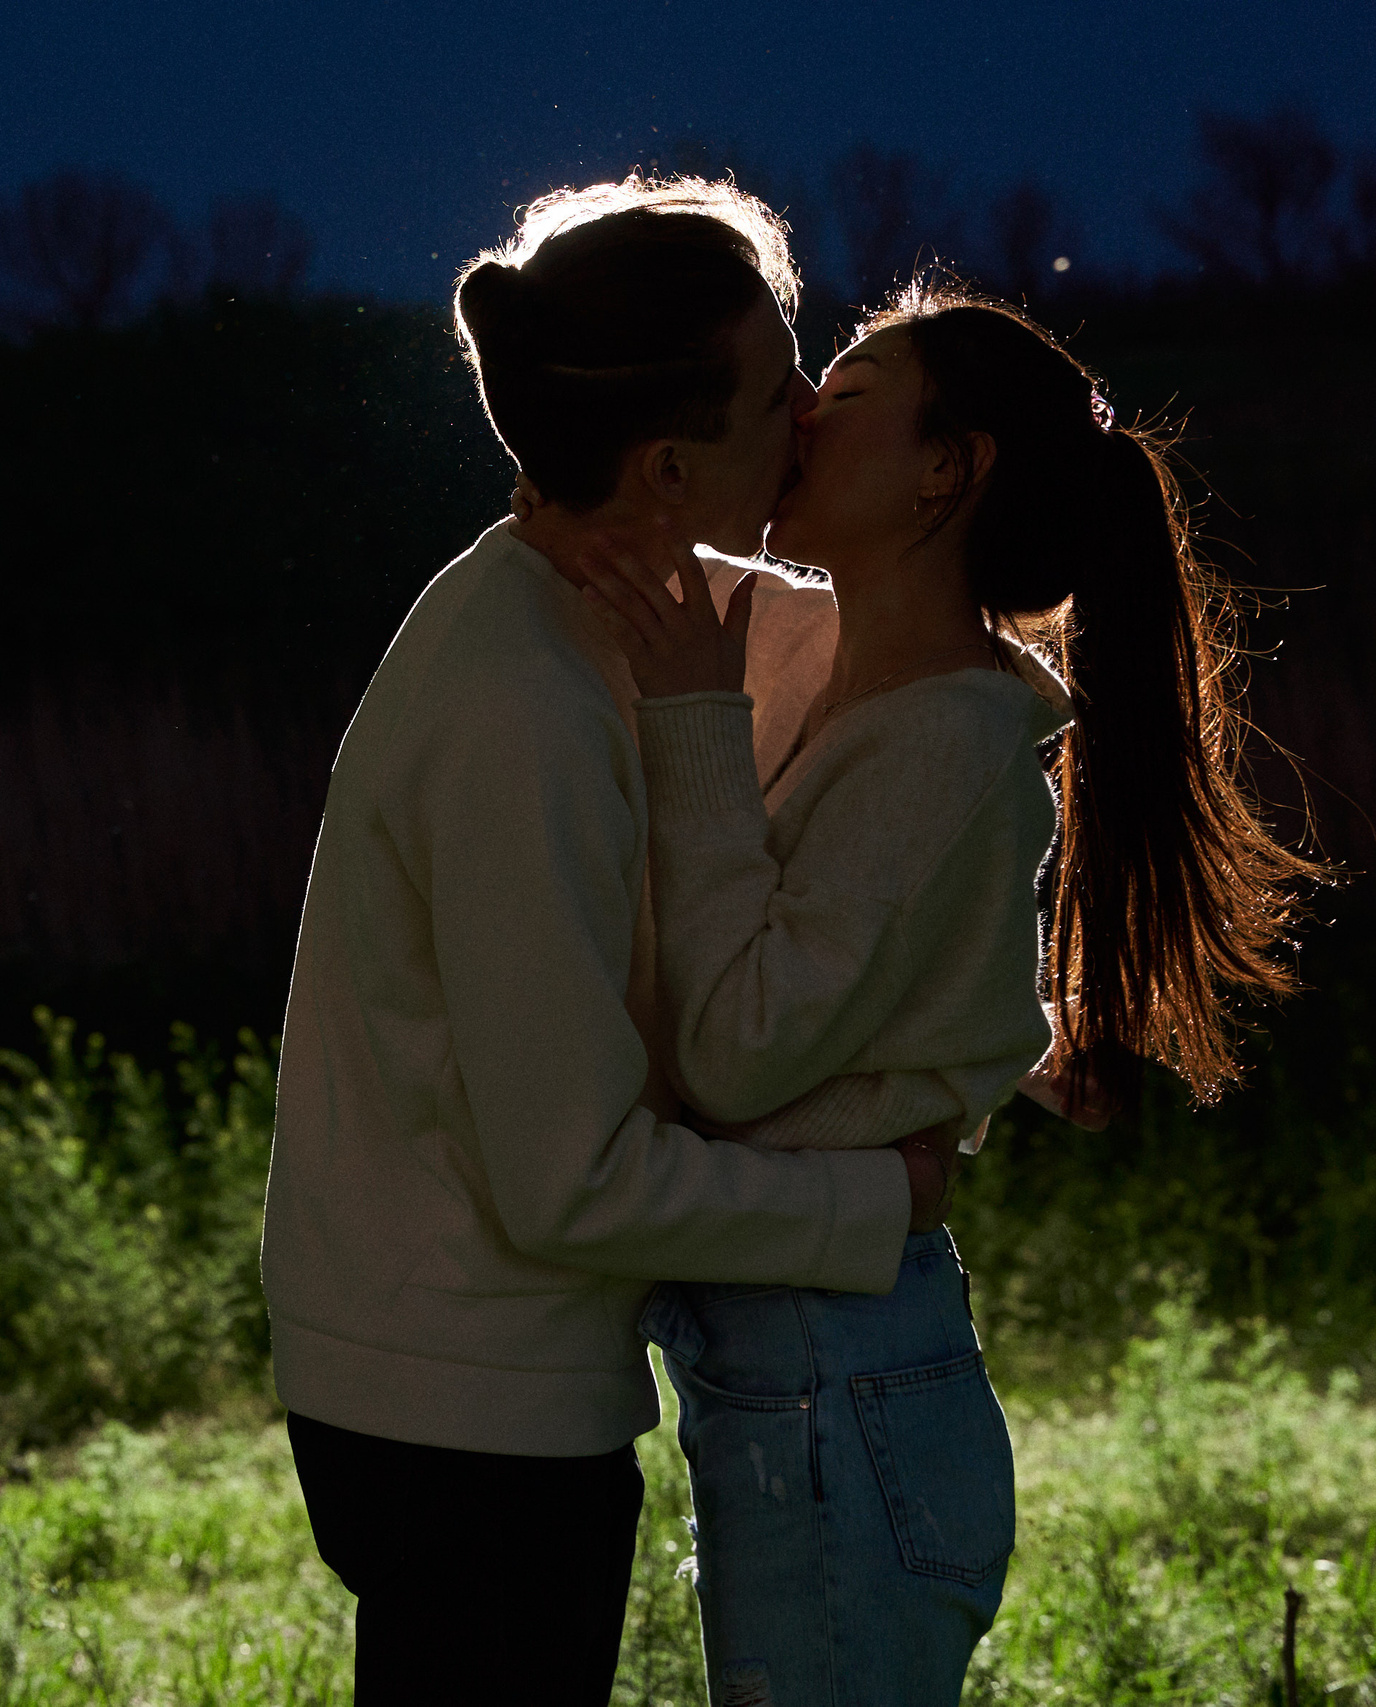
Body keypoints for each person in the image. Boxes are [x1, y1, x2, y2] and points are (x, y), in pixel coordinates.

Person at [258, 180, 967, 1705]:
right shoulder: (527, 708)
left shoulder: (603, 605)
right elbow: (568, 1178)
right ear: (663, 464)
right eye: (781, 386)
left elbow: (894, 681)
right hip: (462, 1413)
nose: (808, 418)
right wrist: (869, 1206)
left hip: (454, 1376)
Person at [575, 282, 1331, 1705]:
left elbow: (741, 1050)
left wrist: (690, 722)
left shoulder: (945, 737)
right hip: (817, 1375)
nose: (801, 417)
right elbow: (889, 955)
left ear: (949, 467)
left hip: (836, 1385)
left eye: (845, 400)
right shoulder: (891, 685)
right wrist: (1008, 1052)